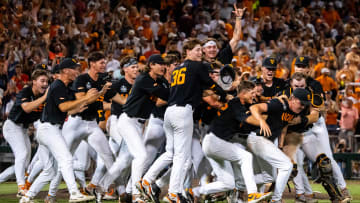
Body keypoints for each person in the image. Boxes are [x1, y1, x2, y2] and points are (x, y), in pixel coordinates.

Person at [152, 38, 227, 202]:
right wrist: (224, 93)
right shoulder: (197, 66)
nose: (200, 53)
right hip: (183, 112)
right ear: (187, 51)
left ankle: (153, 183)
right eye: (197, 50)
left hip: (170, 112)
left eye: (201, 50)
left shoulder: (179, 68)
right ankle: (173, 193)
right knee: (181, 157)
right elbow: (211, 85)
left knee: (174, 154)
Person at [20, 58, 97, 203]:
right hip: (49, 129)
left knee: (51, 171)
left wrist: (78, 106)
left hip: (48, 129)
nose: (77, 71)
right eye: (75, 68)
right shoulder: (58, 85)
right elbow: (63, 107)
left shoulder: (62, 86)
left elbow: (64, 110)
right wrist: (84, 98)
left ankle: (27, 197)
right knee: (66, 159)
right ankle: (74, 193)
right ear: (66, 70)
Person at [191, 81, 272, 202]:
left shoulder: (239, 105)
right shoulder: (236, 103)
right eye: (252, 93)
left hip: (213, 143)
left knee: (227, 183)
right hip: (214, 141)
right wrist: (262, 122)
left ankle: (195, 192)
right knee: (246, 157)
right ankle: (252, 194)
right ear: (243, 93)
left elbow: (246, 124)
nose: (254, 96)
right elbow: (247, 120)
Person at [115, 54, 169, 203]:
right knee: (140, 156)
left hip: (139, 124)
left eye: (164, 64)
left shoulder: (160, 80)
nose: (163, 67)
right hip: (127, 121)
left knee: (137, 157)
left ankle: (128, 194)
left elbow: (167, 92)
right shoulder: (144, 79)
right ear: (151, 65)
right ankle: (136, 195)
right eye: (160, 64)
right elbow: (164, 94)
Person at [2, 69, 49, 197]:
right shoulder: (26, 91)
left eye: (46, 81)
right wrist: (45, 97)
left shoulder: (41, 95)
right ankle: (21, 187)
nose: (45, 84)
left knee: (24, 163)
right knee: (22, 155)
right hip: (12, 126)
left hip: (23, 129)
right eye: (42, 81)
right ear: (34, 81)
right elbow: (27, 108)